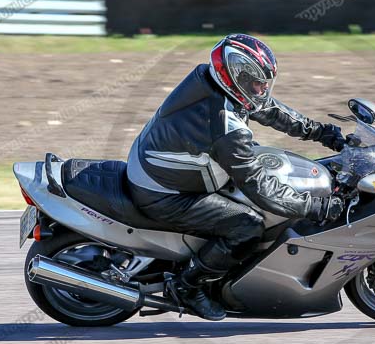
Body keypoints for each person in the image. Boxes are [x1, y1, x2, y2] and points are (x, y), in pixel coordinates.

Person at [126, 34, 346, 320]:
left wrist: (319, 132)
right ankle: (187, 287)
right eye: (256, 83)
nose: (261, 89)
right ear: (234, 78)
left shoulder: (211, 80)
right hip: (165, 191)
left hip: (167, 169)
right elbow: (257, 185)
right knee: (248, 226)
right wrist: (314, 207)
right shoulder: (225, 124)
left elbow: (267, 108)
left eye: (265, 83)